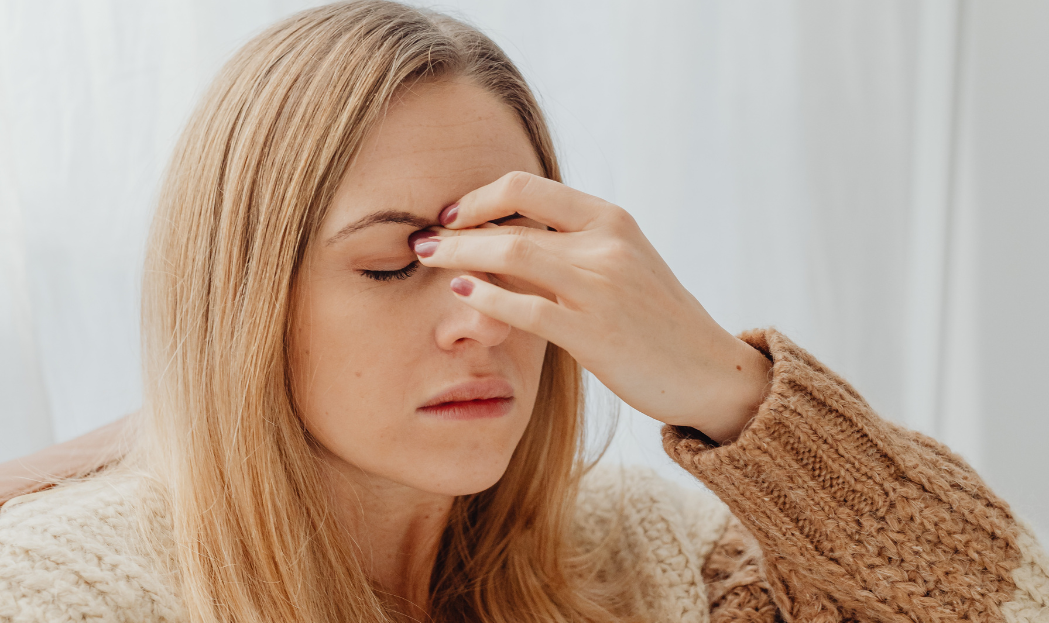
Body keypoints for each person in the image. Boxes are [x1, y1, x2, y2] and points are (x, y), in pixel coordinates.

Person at [1, 2, 1046, 622]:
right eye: (389, 265)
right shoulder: (63, 592)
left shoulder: (652, 555)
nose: (483, 320)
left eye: (515, 253)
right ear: (235, 304)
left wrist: (725, 387)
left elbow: (1005, 604)